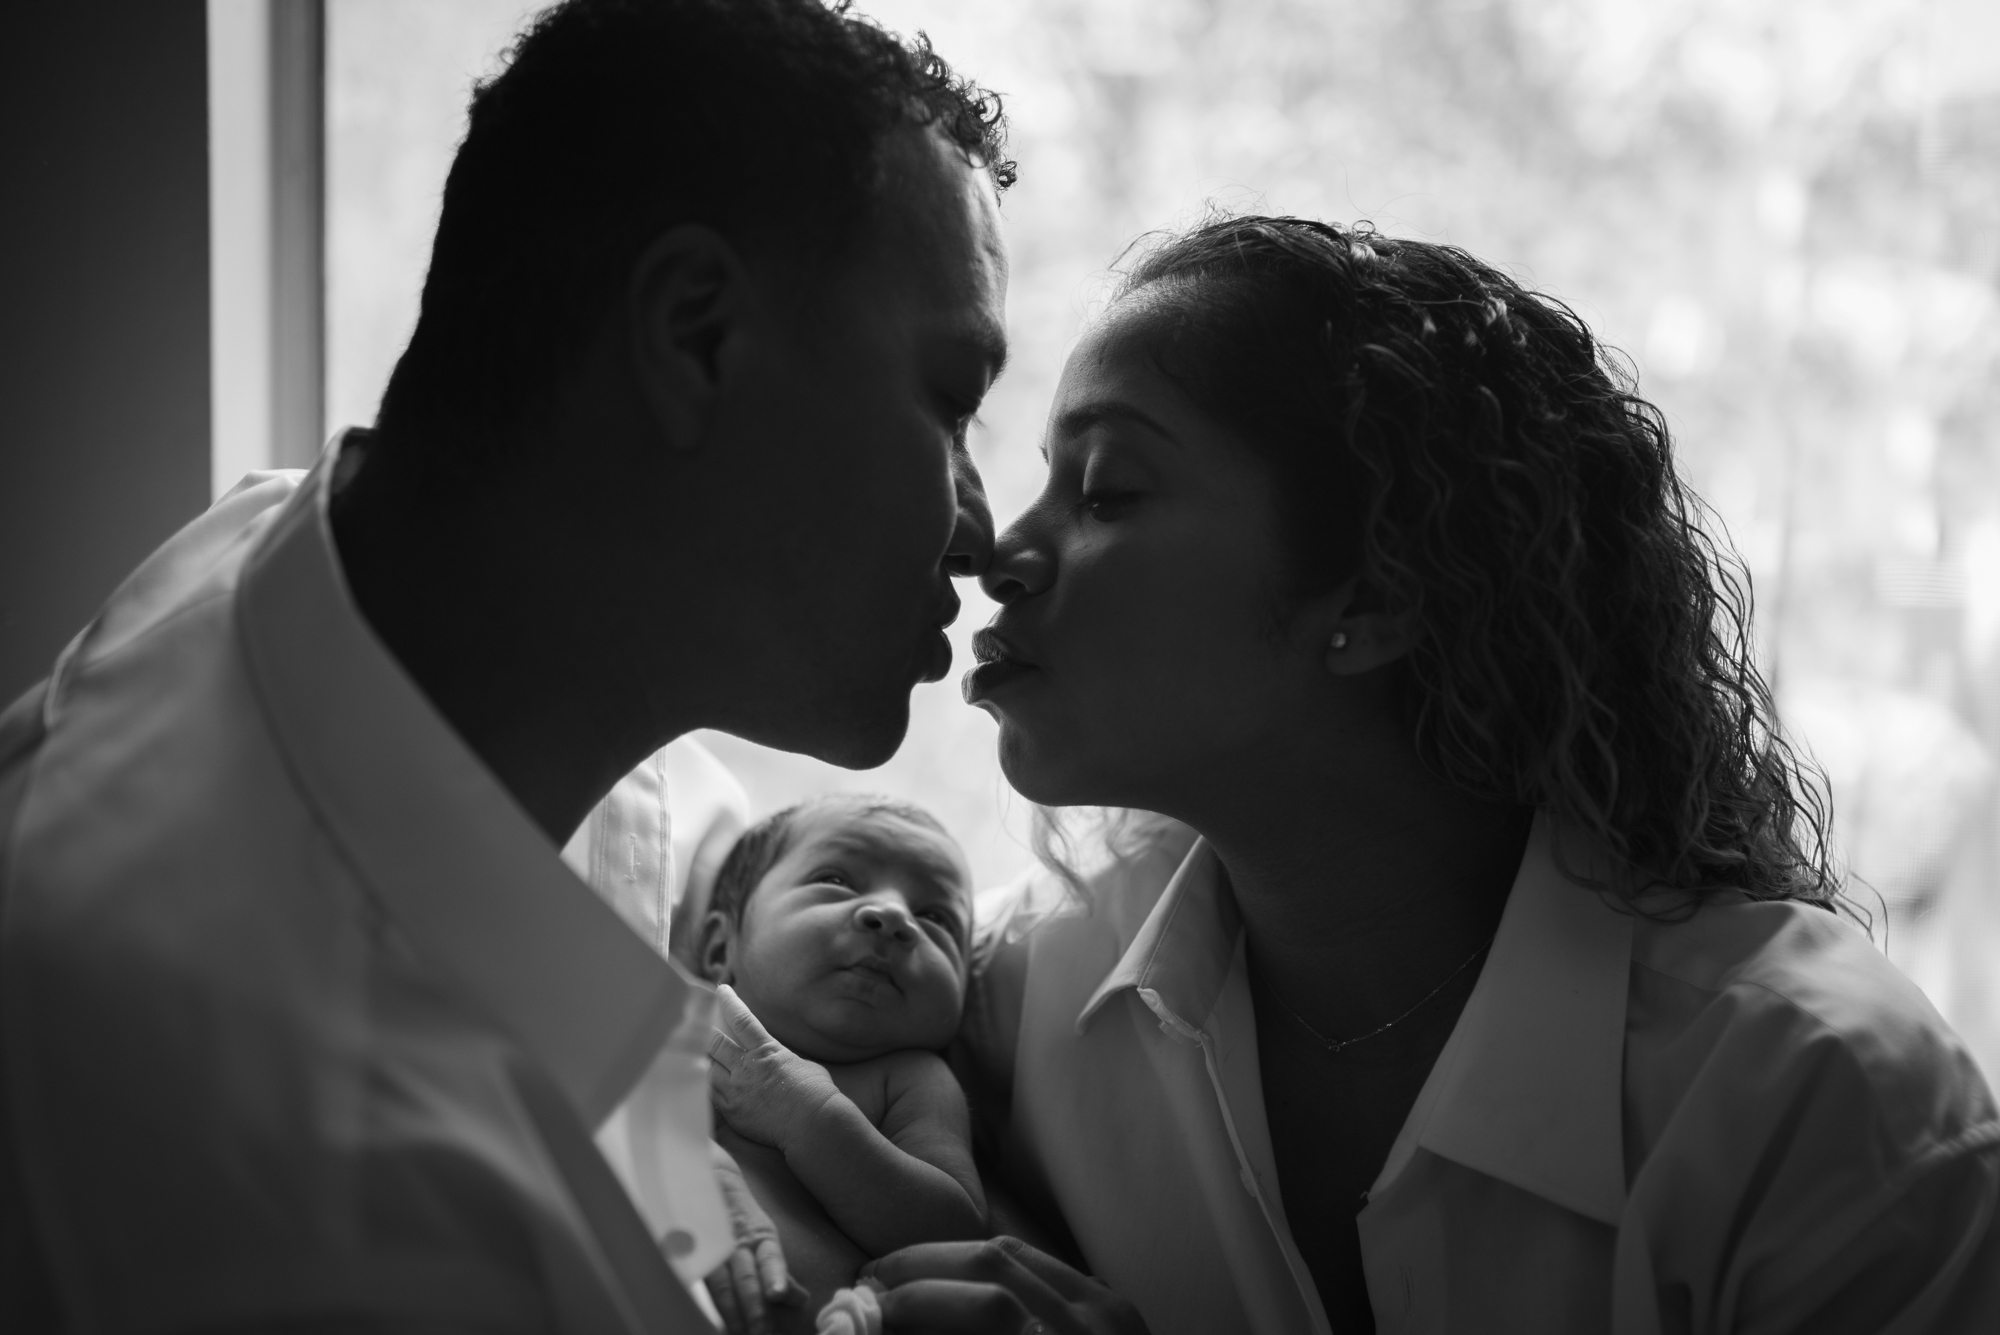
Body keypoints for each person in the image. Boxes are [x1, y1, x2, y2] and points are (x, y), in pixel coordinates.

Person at [0, 0, 1011, 1330]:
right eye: (949, 398)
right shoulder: (360, 1220)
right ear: (697, 335)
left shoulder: (289, 563)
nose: (986, 531)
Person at [863, 217, 2000, 1333]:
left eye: (1107, 489)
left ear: (1372, 597)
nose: (1001, 552)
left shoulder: (1821, 1109)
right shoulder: (1026, 989)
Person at [697, 796, 986, 1329]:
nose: (896, 917)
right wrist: (697, 1165)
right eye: (836, 879)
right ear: (722, 946)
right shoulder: (690, 1028)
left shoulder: (911, 1077)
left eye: (936, 917)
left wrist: (809, 1116)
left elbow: (953, 1238)